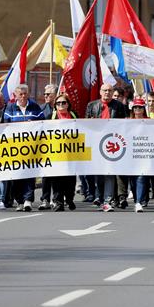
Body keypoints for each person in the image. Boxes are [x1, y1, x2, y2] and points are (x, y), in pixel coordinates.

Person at [87, 83, 128, 212]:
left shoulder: (119, 106)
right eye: (105, 90)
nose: (107, 93)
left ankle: (108, 199)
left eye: (110, 91)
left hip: (112, 144)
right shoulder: (92, 106)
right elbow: (86, 124)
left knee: (110, 173)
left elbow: (124, 125)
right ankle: (100, 196)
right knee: (99, 174)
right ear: (100, 92)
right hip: (96, 144)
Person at [3, 84, 45, 211]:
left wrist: (33, 125)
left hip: (31, 148)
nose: (22, 96)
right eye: (20, 94)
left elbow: (43, 124)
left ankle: (28, 200)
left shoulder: (35, 107)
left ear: (28, 94)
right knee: (17, 175)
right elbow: (5, 126)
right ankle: (19, 201)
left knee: (29, 174)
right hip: (15, 149)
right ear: (15, 95)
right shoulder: (10, 108)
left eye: (25, 93)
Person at [49, 94, 78, 212]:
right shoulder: (51, 117)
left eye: (63, 103)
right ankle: (58, 202)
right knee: (57, 179)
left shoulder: (74, 115)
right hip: (56, 153)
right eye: (58, 103)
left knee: (70, 180)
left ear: (68, 104)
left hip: (71, 153)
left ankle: (69, 199)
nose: (61, 105)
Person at [37, 84, 58, 210]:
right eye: (44, 94)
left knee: (57, 174)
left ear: (55, 95)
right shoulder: (41, 109)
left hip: (58, 146)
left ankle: (56, 199)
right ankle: (45, 199)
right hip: (44, 146)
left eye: (48, 94)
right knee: (45, 174)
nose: (45, 96)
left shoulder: (61, 107)